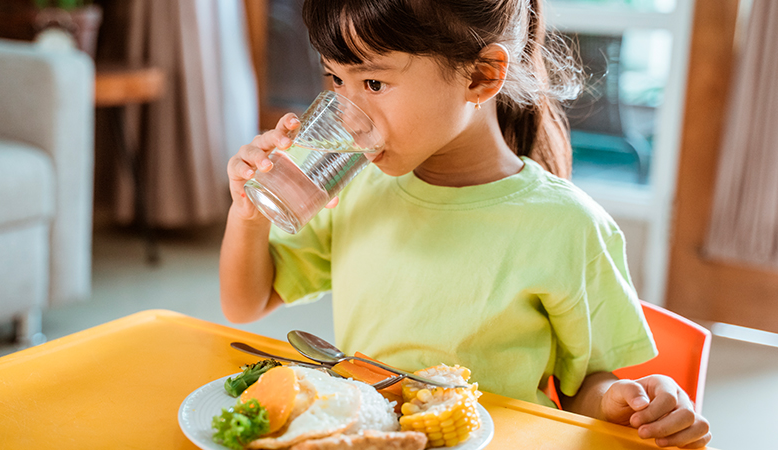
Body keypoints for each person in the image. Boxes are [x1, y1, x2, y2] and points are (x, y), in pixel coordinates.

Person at [219, 0, 711, 448]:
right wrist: (248, 214)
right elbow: (246, 302)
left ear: (480, 76)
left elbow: (587, 391)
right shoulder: (354, 191)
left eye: (373, 83)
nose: (348, 118)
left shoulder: (567, 227)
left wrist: (629, 400)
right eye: (335, 81)